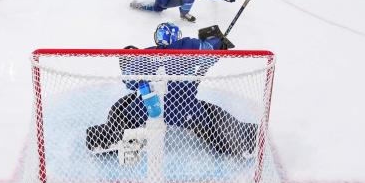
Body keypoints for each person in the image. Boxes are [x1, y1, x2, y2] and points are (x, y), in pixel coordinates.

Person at [85, 22, 256, 161]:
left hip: (147, 109)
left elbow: (129, 84)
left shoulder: (146, 54)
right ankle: (242, 138)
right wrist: (219, 43)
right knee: (212, 115)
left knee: (122, 108)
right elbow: (209, 52)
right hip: (186, 110)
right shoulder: (188, 44)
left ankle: (110, 135)